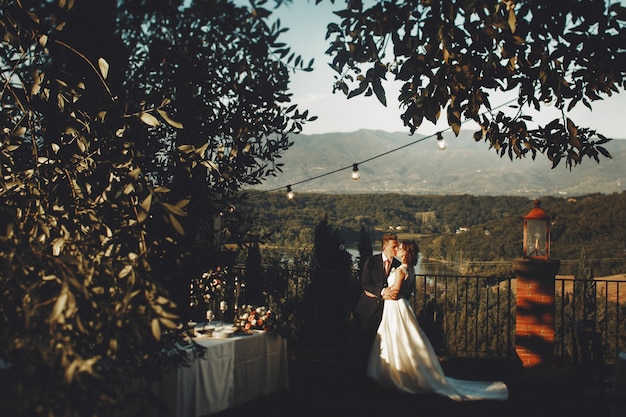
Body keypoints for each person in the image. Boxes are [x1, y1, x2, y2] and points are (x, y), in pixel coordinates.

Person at [366, 240, 509, 401]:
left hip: (395, 308)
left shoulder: (400, 271)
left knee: (397, 339)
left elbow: (396, 293)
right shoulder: (410, 270)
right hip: (401, 307)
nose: (397, 249)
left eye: (400, 248)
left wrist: (383, 293)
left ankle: (399, 376)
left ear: (405, 252)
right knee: (404, 340)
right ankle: (399, 373)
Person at [354, 233, 405, 373]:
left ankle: (381, 372)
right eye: (394, 247)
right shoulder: (371, 261)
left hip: (387, 310)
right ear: (384, 247)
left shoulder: (398, 265)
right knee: (366, 342)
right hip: (369, 309)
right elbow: (365, 284)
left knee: (384, 344)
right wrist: (382, 291)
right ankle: (362, 372)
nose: (396, 249)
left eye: (397, 247)